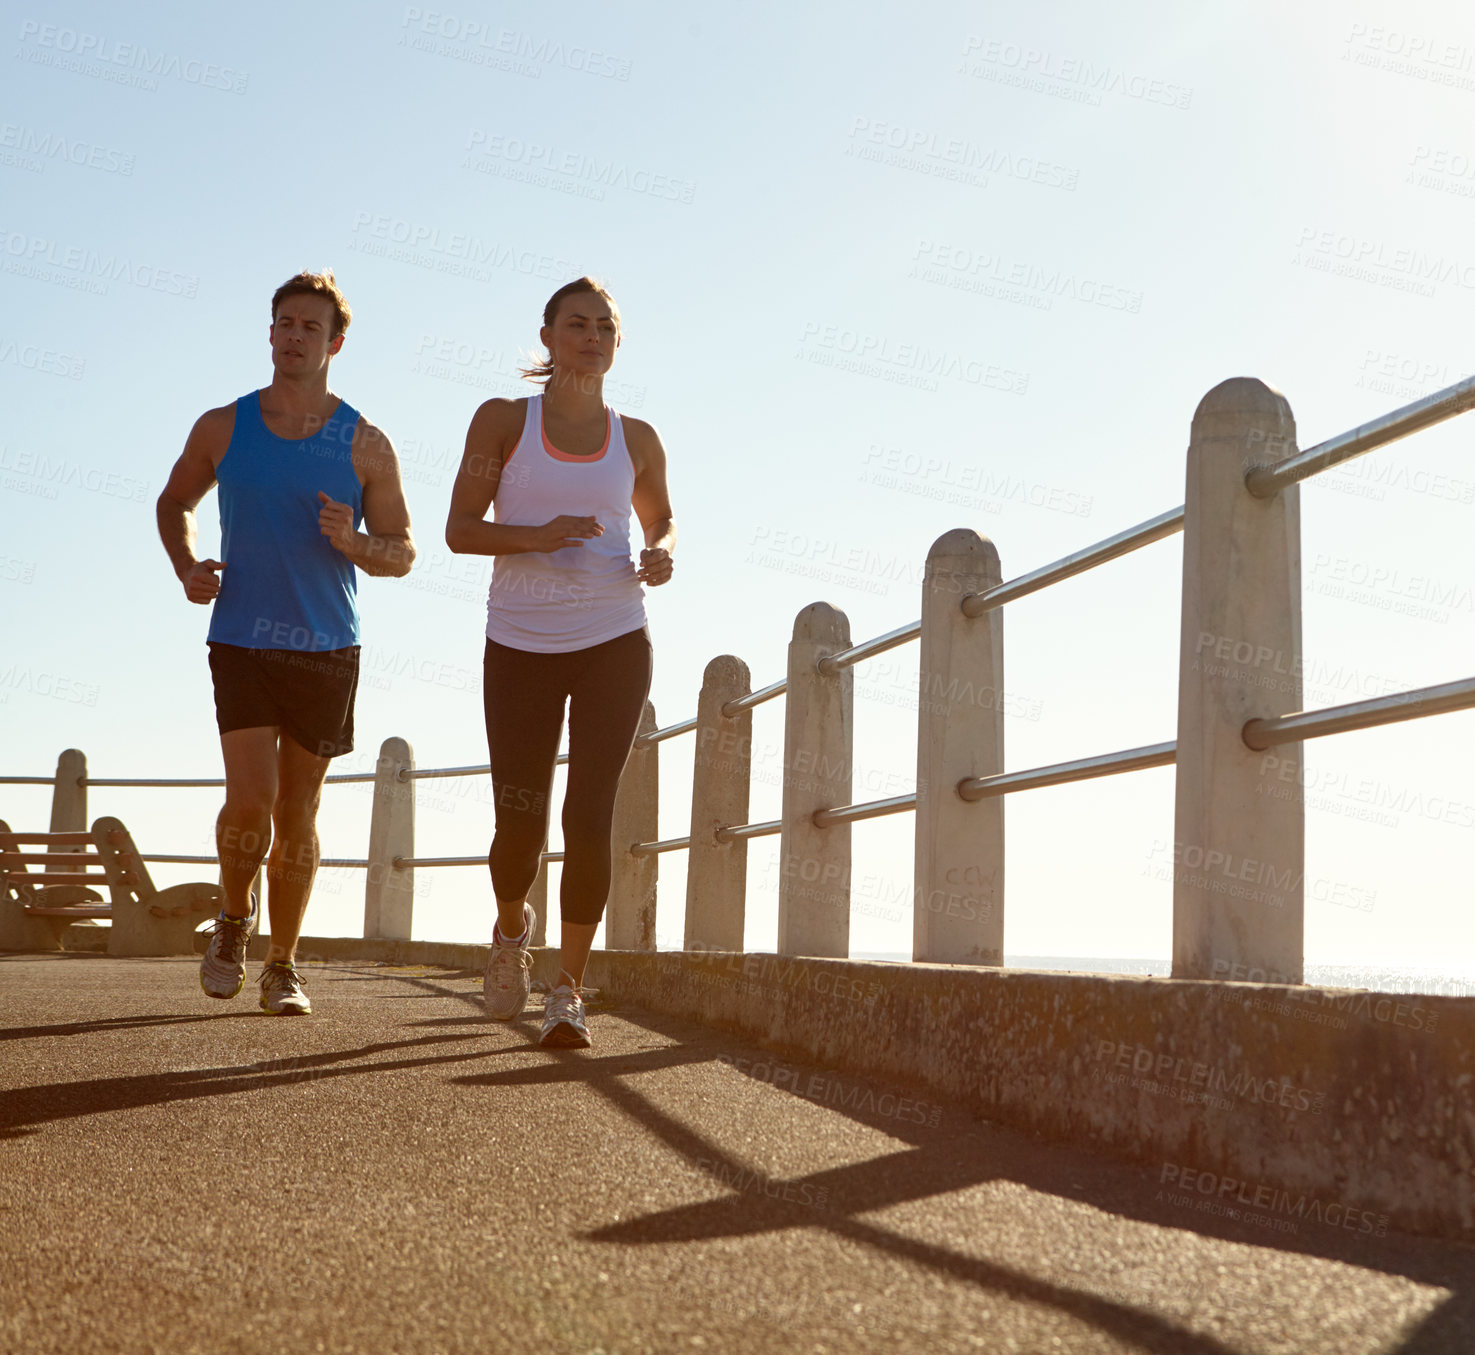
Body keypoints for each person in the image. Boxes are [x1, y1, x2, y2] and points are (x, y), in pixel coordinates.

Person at [157, 269, 416, 1015]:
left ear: (335, 342)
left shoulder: (365, 442)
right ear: (269, 333)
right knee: (252, 799)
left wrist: (355, 540)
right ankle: (235, 918)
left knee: (299, 810)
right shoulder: (222, 426)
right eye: (284, 323)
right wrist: (186, 564)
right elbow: (175, 498)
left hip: (327, 645)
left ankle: (284, 963)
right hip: (241, 635)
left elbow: (403, 550)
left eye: (310, 326)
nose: (294, 336)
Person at [445, 276, 674, 1047]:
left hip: (615, 635)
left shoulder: (636, 437)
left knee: (589, 815)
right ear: (546, 337)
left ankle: (568, 990)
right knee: (520, 820)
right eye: (576, 324)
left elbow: (663, 517)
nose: (591, 336)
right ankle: (512, 930)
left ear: (616, 343)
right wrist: (539, 534)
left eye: (604, 326)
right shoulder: (504, 421)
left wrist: (660, 552)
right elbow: (458, 529)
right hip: (520, 641)